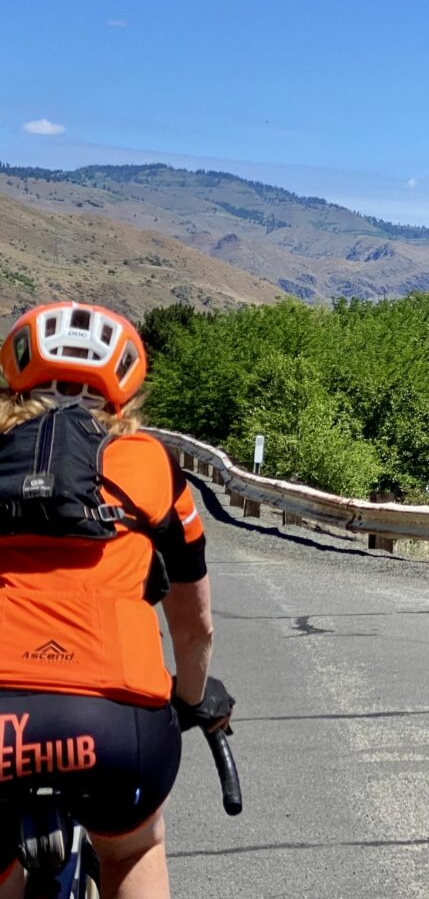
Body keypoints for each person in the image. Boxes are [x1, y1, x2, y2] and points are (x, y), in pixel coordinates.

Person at [0, 301, 233, 899]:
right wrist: (192, 697)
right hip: (114, 722)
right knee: (135, 847)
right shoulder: (150, 463)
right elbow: (194, 622)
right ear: (123, 392)